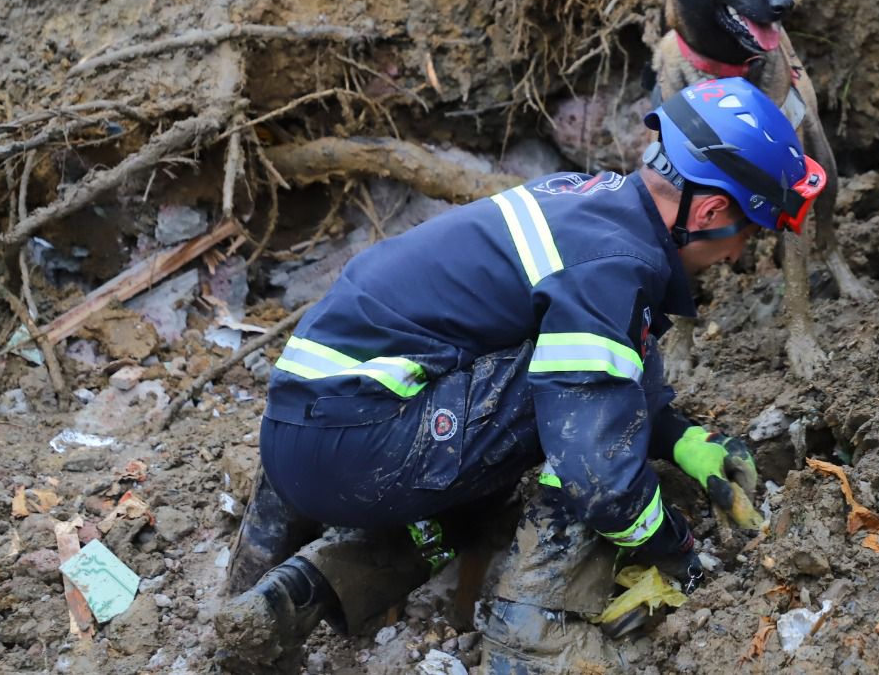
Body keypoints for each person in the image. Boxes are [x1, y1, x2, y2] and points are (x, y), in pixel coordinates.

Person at [216, 77, 826, 672]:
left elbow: (616, 350)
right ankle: (531, 634)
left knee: (504, 478)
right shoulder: (616, 261)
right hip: (362, 446)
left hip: (302, 436)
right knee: (587, 428)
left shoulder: (585, 200)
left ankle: (304, 585)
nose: (736, 255)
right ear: (712, 209)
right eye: (746, 233)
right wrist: (680, 554)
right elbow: (598, 469)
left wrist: (682, 438)